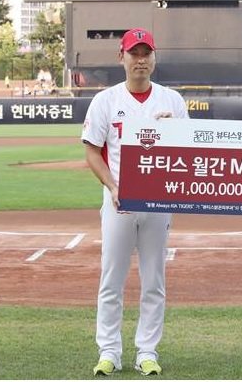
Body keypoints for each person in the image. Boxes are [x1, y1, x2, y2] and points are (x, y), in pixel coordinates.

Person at [81, 27, 189, 377]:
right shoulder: (106, 100)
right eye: (134, 53)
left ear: (154, 58)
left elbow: (188, 150)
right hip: (119, 202)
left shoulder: (172, 100)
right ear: (122, 57)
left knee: (153, 280)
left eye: (146, 53)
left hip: (158, 202)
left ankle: (147, 351)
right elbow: (92, 152)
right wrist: (112, 187)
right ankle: (109, 351)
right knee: (111, 279)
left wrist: (175, 132)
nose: (140, 60)